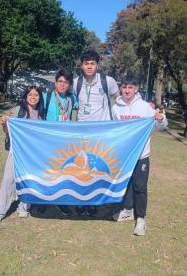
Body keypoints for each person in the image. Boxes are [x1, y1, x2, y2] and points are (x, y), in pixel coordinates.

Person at [111, 75, 168, 236]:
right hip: (125, 155)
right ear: (121, 89)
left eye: (130, 87)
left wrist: (161, 118)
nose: (127, 90)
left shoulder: (144, 107)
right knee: (126, 183)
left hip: (142, 155)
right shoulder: (116, 108)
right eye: (124, 87)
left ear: (136, 89)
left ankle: (141, 219)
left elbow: (159, 126)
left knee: (140, 187)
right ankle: (128, 210)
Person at [73, 50, 119, 216]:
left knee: (97, 167)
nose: (89, 66)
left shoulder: (108, 81)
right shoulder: (76, 82)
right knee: (82, 168)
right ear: (82, 65)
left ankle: (93, 202)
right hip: (82, 134)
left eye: (92, 63)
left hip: (102, 134)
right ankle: (81, 201)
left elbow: (120, 98)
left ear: (97, 65)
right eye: (86, 63)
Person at [0, 86, 45, 225]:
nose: (33, 97)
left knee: (29, 180)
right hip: (17, 152)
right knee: (8, 180)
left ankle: (24, 207)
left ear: (40, 97)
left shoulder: (41, 113)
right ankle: (0, 212)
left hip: (33, 154)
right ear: (26, 96)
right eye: (30, 94)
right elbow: (8, 131)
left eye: (36, 95)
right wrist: (4, 123)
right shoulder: (17, 110)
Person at [41, 69, 78, 216]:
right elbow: (30, 104)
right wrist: (14, 111)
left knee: (62, 172)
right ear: (55, 82)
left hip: (64, 142)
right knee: (46, 172)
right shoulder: (47, 97)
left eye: (66, 82)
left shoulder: (72, 99)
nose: (63, 85)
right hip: (48, 140)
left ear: (69, 85)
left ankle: (61, 201)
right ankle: (42, 201)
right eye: (60, 82)